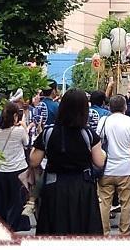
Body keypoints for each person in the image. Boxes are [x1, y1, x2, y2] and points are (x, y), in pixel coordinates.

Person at [30, 89, 105, 234]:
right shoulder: (88, 133)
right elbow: (99, 162)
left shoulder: (49, 132)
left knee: (55, 229)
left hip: (55, 187)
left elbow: (34, 161)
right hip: (82, 188)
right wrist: (103, 153)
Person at [96, 94, 130, 236]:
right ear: (125, 107)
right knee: (126, 204)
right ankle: (125, 234)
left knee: (104, 203)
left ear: (109, 107)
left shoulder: (103, 121)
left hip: (106, 169)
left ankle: (104, 233)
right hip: (126, 169)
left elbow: (98, 144)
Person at [0, 102, 31, 232]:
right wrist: (24, 126)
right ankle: (15, 224)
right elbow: (27, 142)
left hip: (0, 170)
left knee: (1, 199)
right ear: (14, 116)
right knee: (17, 200)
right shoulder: (18, 131)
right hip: (18, 169)